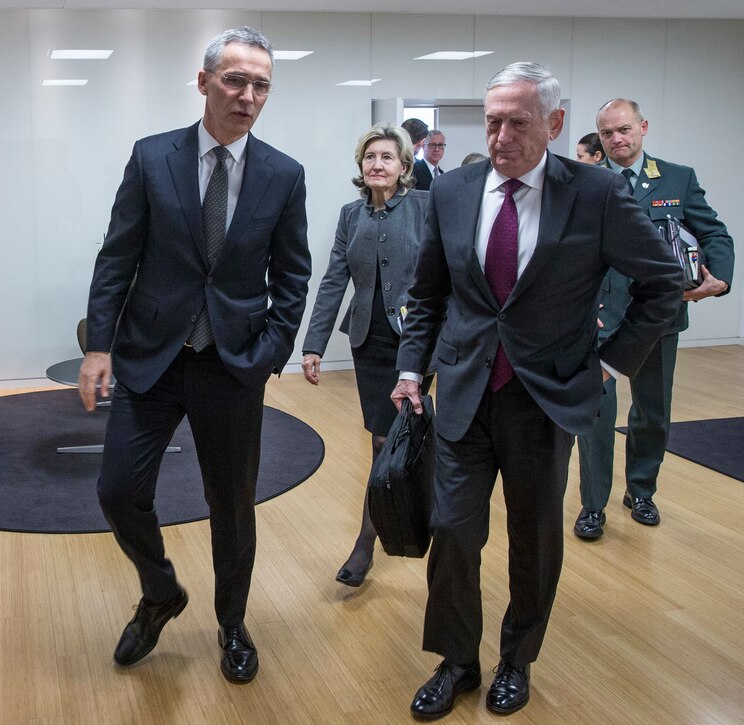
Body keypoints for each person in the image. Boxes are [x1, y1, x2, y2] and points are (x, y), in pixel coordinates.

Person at [391, 63, 681, 718]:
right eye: (492, 120)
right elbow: (429, 292)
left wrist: (612, 362)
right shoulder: (454, 190)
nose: (499, 135)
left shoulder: (597, 194)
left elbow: (663, 282)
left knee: (535, 538)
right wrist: (412, 369)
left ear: (553, 124)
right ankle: (457, 660)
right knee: (454, 531)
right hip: (465, 389)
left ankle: (517, 658)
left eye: (516, 122)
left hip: (545, 398)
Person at [79, 27, 311, 684]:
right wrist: (99, 343)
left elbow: (293, 274)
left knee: (232, 503)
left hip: (233, 366)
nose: (248, 96)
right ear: (204, 81)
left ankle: (232, 622)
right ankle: (160, 593)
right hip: (152, 358)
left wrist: (271, 351)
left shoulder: (283, 174)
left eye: (261, 84)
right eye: (236, 80)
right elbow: (117, 255)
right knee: (118, 489)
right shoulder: (153, 158)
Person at [573, 99, 734, 540]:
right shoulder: (584, 181)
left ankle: (641, 490)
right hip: (600, 318)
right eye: (607, 134)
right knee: (595, 415)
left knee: (652, 412)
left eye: (624, 130)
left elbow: (713, 232)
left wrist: (717, 278)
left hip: (658, 315)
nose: (616, 140)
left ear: (642, 127)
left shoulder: (678, 178)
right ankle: (592, 505)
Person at [299, 124, 429, 588]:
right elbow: (334, 280)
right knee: (382, 439)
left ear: (404, 167)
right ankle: (377, 535)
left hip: (416, 341)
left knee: (403, 437)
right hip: (369, 342)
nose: (378, 164)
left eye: (387, 158)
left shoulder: (424, 208)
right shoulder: (351, 215)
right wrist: (313, 344)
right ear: (361, 166)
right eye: (370, 157)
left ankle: (393, 535)